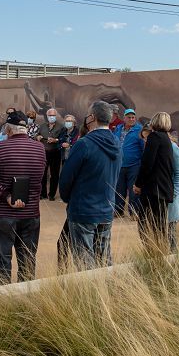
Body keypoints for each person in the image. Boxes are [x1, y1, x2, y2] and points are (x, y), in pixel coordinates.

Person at [0, 110, 46, 285]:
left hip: (2, 215)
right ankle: (27, 303)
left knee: (1, 264)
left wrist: (6, 195)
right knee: (28, 263)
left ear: (8, 130)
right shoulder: (39, 149)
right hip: (31, 214)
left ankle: (3, 303)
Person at [58, 101, 121, 269]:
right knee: (104, 261)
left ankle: (90, 294)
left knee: (85, 264)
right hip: (106, 209)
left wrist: (67, 198)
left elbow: (67, 177)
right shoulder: (117, 143)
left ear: (92, 117)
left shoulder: (84, 143)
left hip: (83, 210)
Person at [133, 112, 175, 249]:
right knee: (160, 225)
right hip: (163, 188)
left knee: (146, 224)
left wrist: (138, 184)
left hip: (154, 189)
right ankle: (161, 252)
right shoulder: (166, 139)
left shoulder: (155, 137)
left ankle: (153, 253)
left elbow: (147, 163)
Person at [110, 109, 145, 217]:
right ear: (124, 118)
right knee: (119, 189)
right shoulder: (118, 128)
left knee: (133, 190)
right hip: (119, 165)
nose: (131, 119)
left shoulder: (140, 130)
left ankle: (134, 212)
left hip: (134, 165)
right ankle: (118, 211)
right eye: (129, 117)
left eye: (133, 117)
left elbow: (143, 148)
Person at [37, 108, 63, 200]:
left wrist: (56, 140)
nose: (52, 117)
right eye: (50, 115)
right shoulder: (42, 125)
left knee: (54, 174)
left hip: (55, 152)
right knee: (42, 174)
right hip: (44, 152)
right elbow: (37, 134)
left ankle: (51, 194)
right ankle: (42, 193)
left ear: (56, 116)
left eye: (53, 115)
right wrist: (38, 136)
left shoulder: (61, 126)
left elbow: (63, 139)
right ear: (47, 116)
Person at [166, 130, 179, 252]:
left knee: (171, 229)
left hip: (171, 195)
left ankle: (174, 256)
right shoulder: (151, 147)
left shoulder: (173, 148)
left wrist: (174, 193)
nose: (146, 140)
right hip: (159, 196)